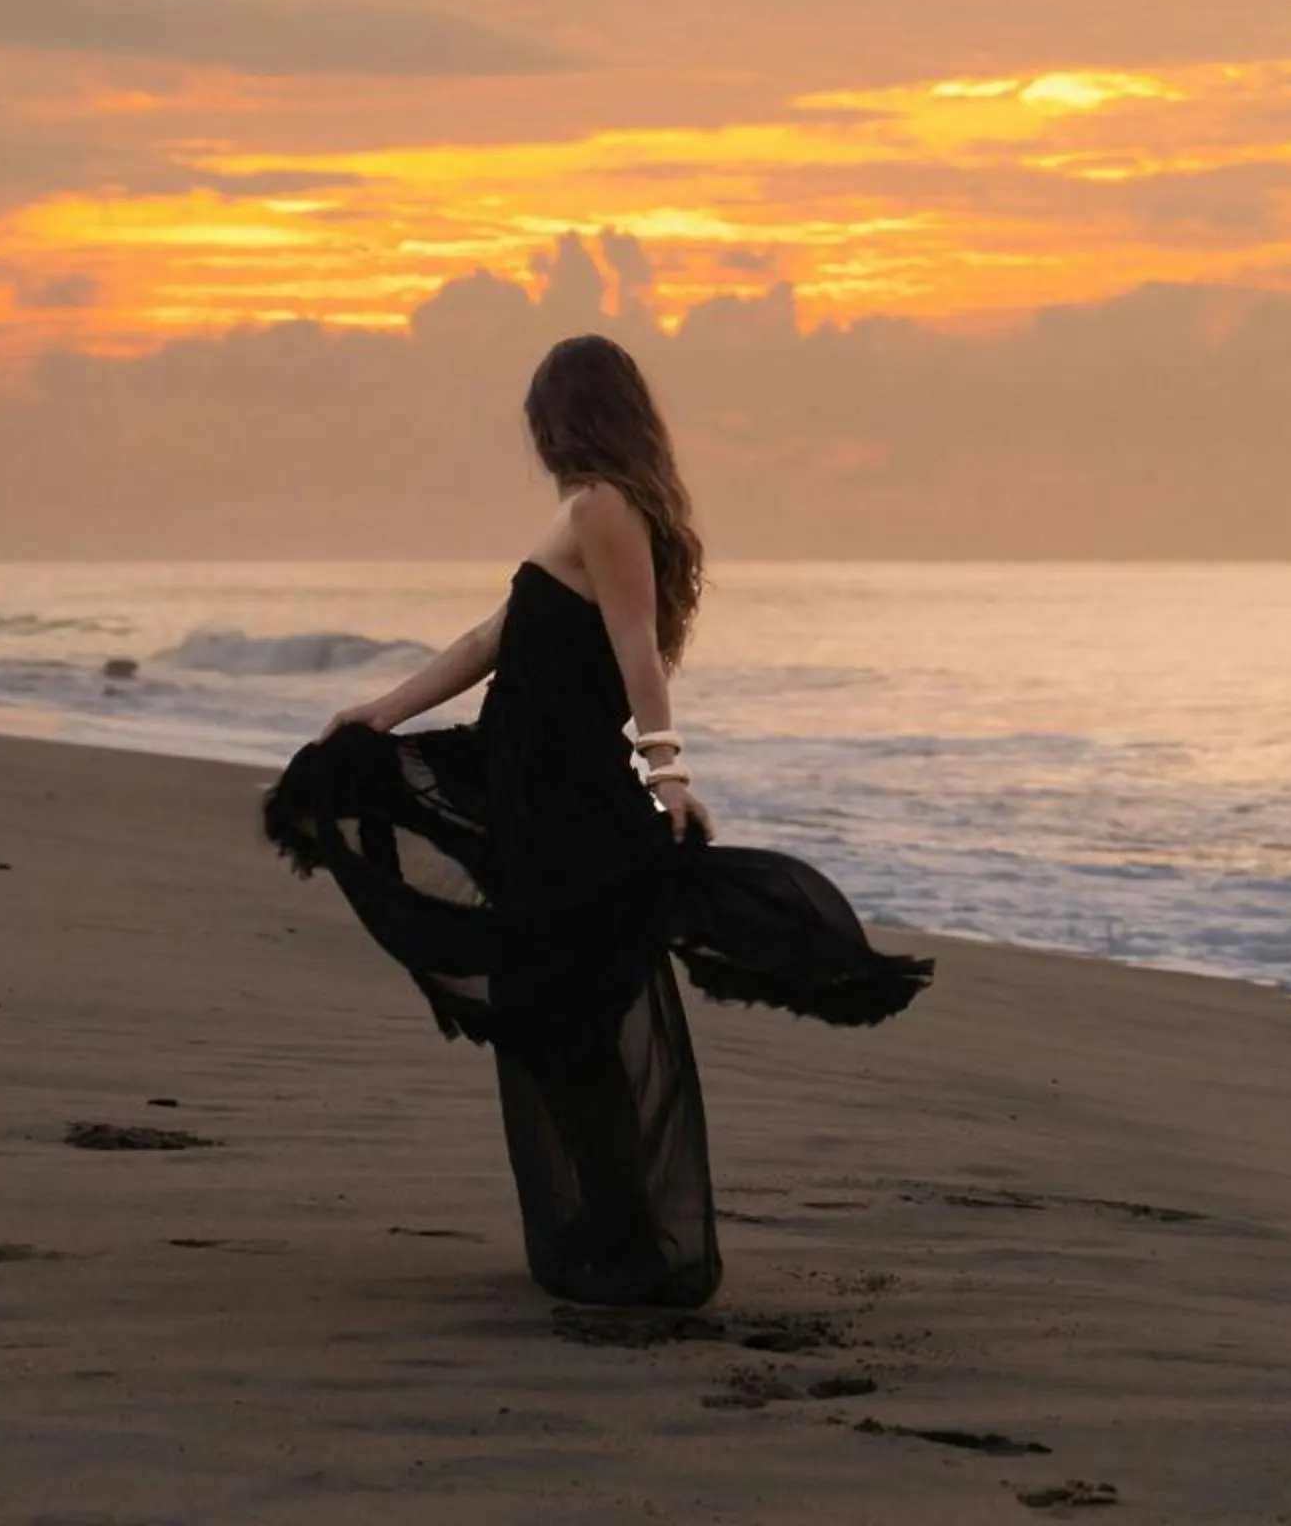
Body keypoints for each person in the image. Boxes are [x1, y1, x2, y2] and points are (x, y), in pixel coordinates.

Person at [261, 333, 931, 1308]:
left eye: (542, 416)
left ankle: (624, 1230)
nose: (536, 435)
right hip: (523, 782)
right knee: (551, 1008)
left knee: (565, 1010)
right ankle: (608, 1221)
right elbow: (491, 637)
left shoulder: (606, 506)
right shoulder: (578, 513)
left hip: (569, 794)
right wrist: (383, 712)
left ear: (573, 414)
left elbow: (634, 644)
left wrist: (667, 772)